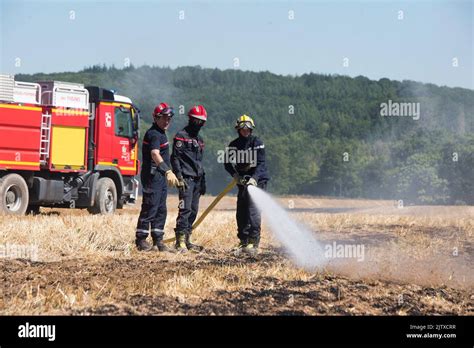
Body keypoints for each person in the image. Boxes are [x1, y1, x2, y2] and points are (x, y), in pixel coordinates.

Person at [135, 102, 180, 252]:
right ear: (156, 118)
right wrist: (167, 171)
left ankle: (158, 240)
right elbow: (155, 153)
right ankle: (141, 240)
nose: (167, 121)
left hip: (159, 178)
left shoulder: (161, 133)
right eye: (164, 118)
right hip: (153, 176)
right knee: (150, 206)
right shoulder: (154, 134)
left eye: (169, 118)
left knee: (161, 208)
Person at [224, 115, 269, 255]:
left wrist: (254, 179)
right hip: (243, 181)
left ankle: (253, 242)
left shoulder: (257, 143)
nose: (245, 131)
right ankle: (243, 241)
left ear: (251, 129)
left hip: (258, 180)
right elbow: (226, 163)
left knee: (253, 210)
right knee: (242, 211)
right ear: (238, 129)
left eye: (248, 128)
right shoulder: (234, 145)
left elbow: (261, 164)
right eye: (243, 128)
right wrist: (235, 176)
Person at [171, 105, 208, 252]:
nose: (198, 124)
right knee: (184, 210)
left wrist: (203, 180)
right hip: (186, 179)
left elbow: (199, 162)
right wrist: (179, 177)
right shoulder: (181, 136)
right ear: (190, 119)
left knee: (193, 210)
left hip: (197, 180)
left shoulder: (200, 139)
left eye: (201, 121)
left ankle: (187, 239)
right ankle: (179, 241)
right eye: (196, 120)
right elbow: (175, 158)